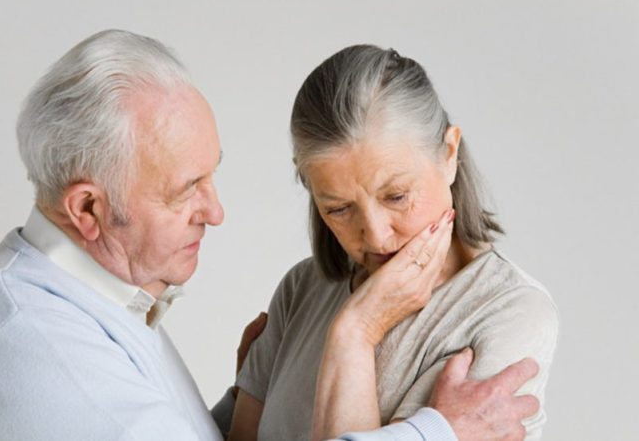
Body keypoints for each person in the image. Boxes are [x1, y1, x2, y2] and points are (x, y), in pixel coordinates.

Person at [0, 30, 541, 441]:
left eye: (212, 176)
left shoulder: (93, 311)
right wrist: (436, 432)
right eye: (186, 188)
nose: (215, 212)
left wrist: (248, 395)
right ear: (87, 210)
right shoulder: (36, 351)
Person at [228, 45, 559, 441]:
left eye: (397, 196)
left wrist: (356, 332)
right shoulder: (300, 290)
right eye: (338, 209)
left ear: (449, 154)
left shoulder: (510, 311)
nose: (376, 236)